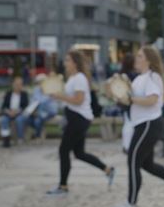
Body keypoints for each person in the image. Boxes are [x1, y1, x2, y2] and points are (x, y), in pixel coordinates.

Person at [111, 46, 164, 207]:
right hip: (144, 124)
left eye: (139, 56)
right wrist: (121, 98)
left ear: (148, 60)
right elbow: (134, 101)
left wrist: (130, 99)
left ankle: (131, 205)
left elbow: (152, 100)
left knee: (132, 161)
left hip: (148, 124)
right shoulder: (141, 78)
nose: (136, 59)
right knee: (147, 164)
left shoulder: (153, 77)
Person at [47, 50, 115, 195]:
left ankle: (63, 186)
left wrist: (61, 96)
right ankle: (107, 170)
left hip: (79, 119)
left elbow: (79, 100)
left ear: (75, 63)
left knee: (63, 150)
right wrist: (58, 96)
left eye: (67, 60)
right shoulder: (73, 78)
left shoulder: (79, 78)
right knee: (79, 153)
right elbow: (70, 98)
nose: (65, 63)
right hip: (76, 118)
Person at [0, 76, 29, 148]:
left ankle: (20, 138)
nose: (18, 86)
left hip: (19, 113)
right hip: (9, 113)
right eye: (16, 84)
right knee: (3, 120)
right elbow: (3, 106)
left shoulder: (24, 94)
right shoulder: (8, 94)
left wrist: (16, 112)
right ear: (13, 85)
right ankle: (6, 139)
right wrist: (9, 112)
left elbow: (25, 106)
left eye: (20, 84)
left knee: (19, 120)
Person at [28, 73, 58, 139]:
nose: (39, 84)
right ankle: (40, 130)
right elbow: (33, 101)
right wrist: (34, 110)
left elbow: (45, 103)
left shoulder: (50, 90)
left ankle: (37, 136)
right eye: (38, 83)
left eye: (41, 82)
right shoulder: (36, 90)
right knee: (27, 119)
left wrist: (38, 109)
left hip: (49, 111)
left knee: (37, 121)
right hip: (38, 112)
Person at [119, 53, 138, 154]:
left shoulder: (121, 74)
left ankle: (126, 145)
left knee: (127, 122)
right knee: (129, 123)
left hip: (124, 101)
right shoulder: (132, 75)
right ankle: (127, 145)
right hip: (131, 101)